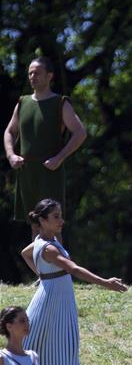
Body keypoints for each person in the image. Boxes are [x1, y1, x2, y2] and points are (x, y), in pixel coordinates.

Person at [21, 199, 127, 365]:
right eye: (55, 217)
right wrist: (105, 283)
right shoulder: (48, 248)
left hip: (55, 302)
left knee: (53, 358)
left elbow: (26, 253)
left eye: (60, 215)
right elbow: (74, 269)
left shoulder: (44, 240)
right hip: (51, 306)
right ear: (41, 221)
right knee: (59, 358)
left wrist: (42, 274)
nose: (61, 220)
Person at [4, 56, 86, 234]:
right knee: (34, 225)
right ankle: (39, 263)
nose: (33, 76)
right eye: (30, 73)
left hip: (50, 172)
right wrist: (11, 155)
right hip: (27, 171)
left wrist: (59, 157)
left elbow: (80, 132)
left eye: (37, 73)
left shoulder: (60, 103)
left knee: (53, 227)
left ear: (50, 76)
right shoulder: (22, 103)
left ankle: (59, 262)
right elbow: (9, 131)